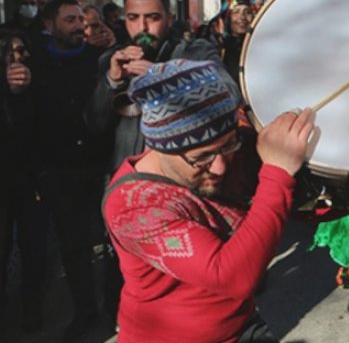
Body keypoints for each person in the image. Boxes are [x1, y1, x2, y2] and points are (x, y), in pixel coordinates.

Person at [102, 59, 316, 342]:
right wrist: (277, 174)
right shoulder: (131, 205)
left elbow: (298, 202)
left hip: (241, 326)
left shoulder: (231, 147)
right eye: (201, 157)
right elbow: (231, 277)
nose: (220, 167)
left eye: (228, 145)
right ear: (159, 146)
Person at [8, 0, 116, 340]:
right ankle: (85, 311)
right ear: (50, 25)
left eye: (81, 19)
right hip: (59, 172)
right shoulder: (33, 60)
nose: (79, 26)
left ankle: (118, 309)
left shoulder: (98, 58)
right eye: (70, 19)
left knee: (114, 243)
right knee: (73, 247)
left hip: (101, 166)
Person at [85, 0, 224, 172]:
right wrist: (112, 81)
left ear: (169, 19)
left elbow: (229, 95)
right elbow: (95, 125)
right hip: (127, 176)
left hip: (180, 176)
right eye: (133, 18)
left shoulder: (196, 52)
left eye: (153, 18)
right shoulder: (110, 58)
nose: (142, 27)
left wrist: (166, 78)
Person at [0, 30, 49, 333]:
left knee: (35, 251)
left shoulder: (37, 86)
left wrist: (25, 94)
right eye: (10, 53)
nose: (18, 59)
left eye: (22, 51)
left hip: (33, 183)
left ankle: (32, 310)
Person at [200, 0, 256, 84]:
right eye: (236, 12)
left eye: (247, 12)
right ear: (226, 17)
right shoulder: (214, 48)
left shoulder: (258, 45)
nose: (242, 17)